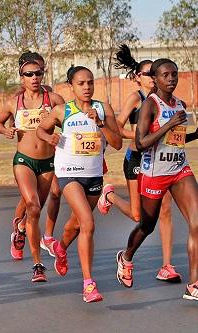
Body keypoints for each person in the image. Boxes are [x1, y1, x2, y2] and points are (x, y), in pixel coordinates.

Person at [37, 66, 122, 302]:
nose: (86, 87)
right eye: (81, 83)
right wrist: (49, 137)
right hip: (68, 173)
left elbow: (117, 143)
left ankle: (61, 249)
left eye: (90, 83)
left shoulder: (103, 109)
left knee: (75, 226)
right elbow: (39, 131)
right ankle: (88, 284)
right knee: (88, 223)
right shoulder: (61, 111)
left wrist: (102, 123)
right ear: (71, 86)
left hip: (94, 175)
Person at [114, 58, 198, 301]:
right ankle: (126, 256)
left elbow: (177, 141)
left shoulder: (180, 104)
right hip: (154, 173)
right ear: (156, 78)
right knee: (147, 225)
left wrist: (194, 134)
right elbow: (141, 143)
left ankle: (193, 284)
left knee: (196, 222)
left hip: (179, 169)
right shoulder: (151, 104)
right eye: (166, 75)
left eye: (175, 74)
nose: (171, 79)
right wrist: (168, 124)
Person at [96, 45, 181, 282]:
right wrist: (137, 135)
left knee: (165, 210)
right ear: (139, 78)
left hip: (163, 162)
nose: (152, 77)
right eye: (147, 73)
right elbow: (118, 125)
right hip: (137, 159)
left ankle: (167, 265)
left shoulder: (164, 99)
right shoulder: (138, 98)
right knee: (138, 217)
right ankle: (110, 196)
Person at [0, 52, 64, 282]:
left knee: (35, 208)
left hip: (47, 162)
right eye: (29, 74)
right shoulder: (14, 102)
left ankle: (21, 227)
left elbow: (68, 120)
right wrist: (5, 130)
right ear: (21, 76)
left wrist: (58, 127)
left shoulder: (53, 100)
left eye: (38, 73)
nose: (34, 77)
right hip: (24, 160)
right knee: (32, 205)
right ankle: (37, 264)